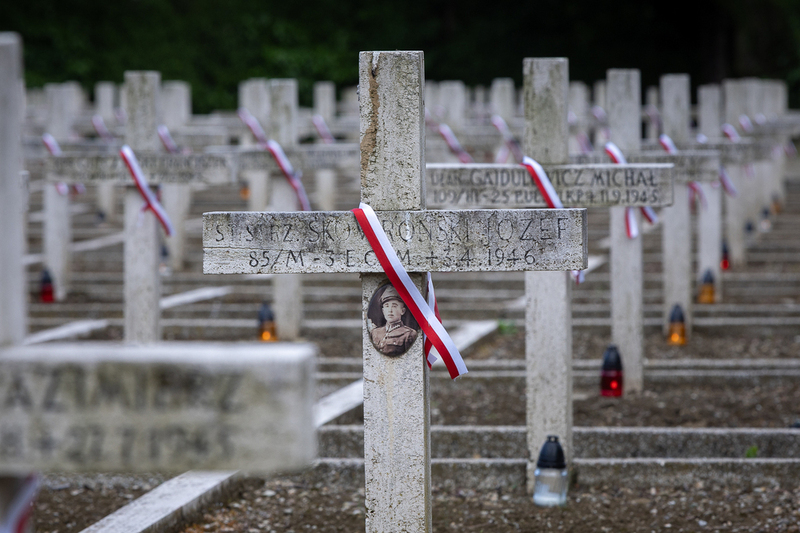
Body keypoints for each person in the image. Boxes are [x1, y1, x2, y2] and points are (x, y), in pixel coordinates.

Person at [369, 285, 418, 356]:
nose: (390, 310)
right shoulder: (375, 333)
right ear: (383, 310)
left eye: (394, 306)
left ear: (402, 311)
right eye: (387, 306)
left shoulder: (409, 334)